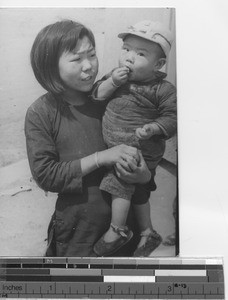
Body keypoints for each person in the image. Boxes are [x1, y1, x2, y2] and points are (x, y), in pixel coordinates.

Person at [24, 19, 153, 257]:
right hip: (77, 234)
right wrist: (101, 157)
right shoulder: (41, 112)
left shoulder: (113, 99)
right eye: (76, 59)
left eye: (92, 55)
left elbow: (143, 153)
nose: (89, 66)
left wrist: (144, 175)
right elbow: (46, 175)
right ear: (50, 66)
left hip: (124, 230)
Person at [92, 20, 177, 257]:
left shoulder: (163, 89)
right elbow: (97, 96)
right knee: (138, 192)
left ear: (158, 64)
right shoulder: (116, 76)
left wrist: (154, 128)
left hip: (141, 148)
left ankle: (118, 229)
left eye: (140, 54)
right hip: (119, 145)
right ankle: (148, 233)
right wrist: (112, 82)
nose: (129, 57)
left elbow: (173, 117)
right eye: (126, 49)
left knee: (120, 180)